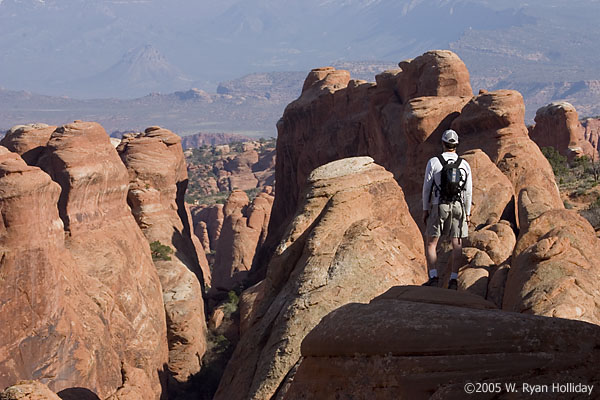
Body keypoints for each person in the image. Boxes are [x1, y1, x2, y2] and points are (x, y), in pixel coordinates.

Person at [421, 129, 472, 290]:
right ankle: (453, 280)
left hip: (439, 205)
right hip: (458, 206)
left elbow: (426, 188)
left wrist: (425, 209)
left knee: (431, 242)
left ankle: (434, 277)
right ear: (456, 145)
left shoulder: (434, 162)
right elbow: (468, 191)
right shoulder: (464, 164)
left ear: (443, 143)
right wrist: (467, 212)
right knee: (456, 243)